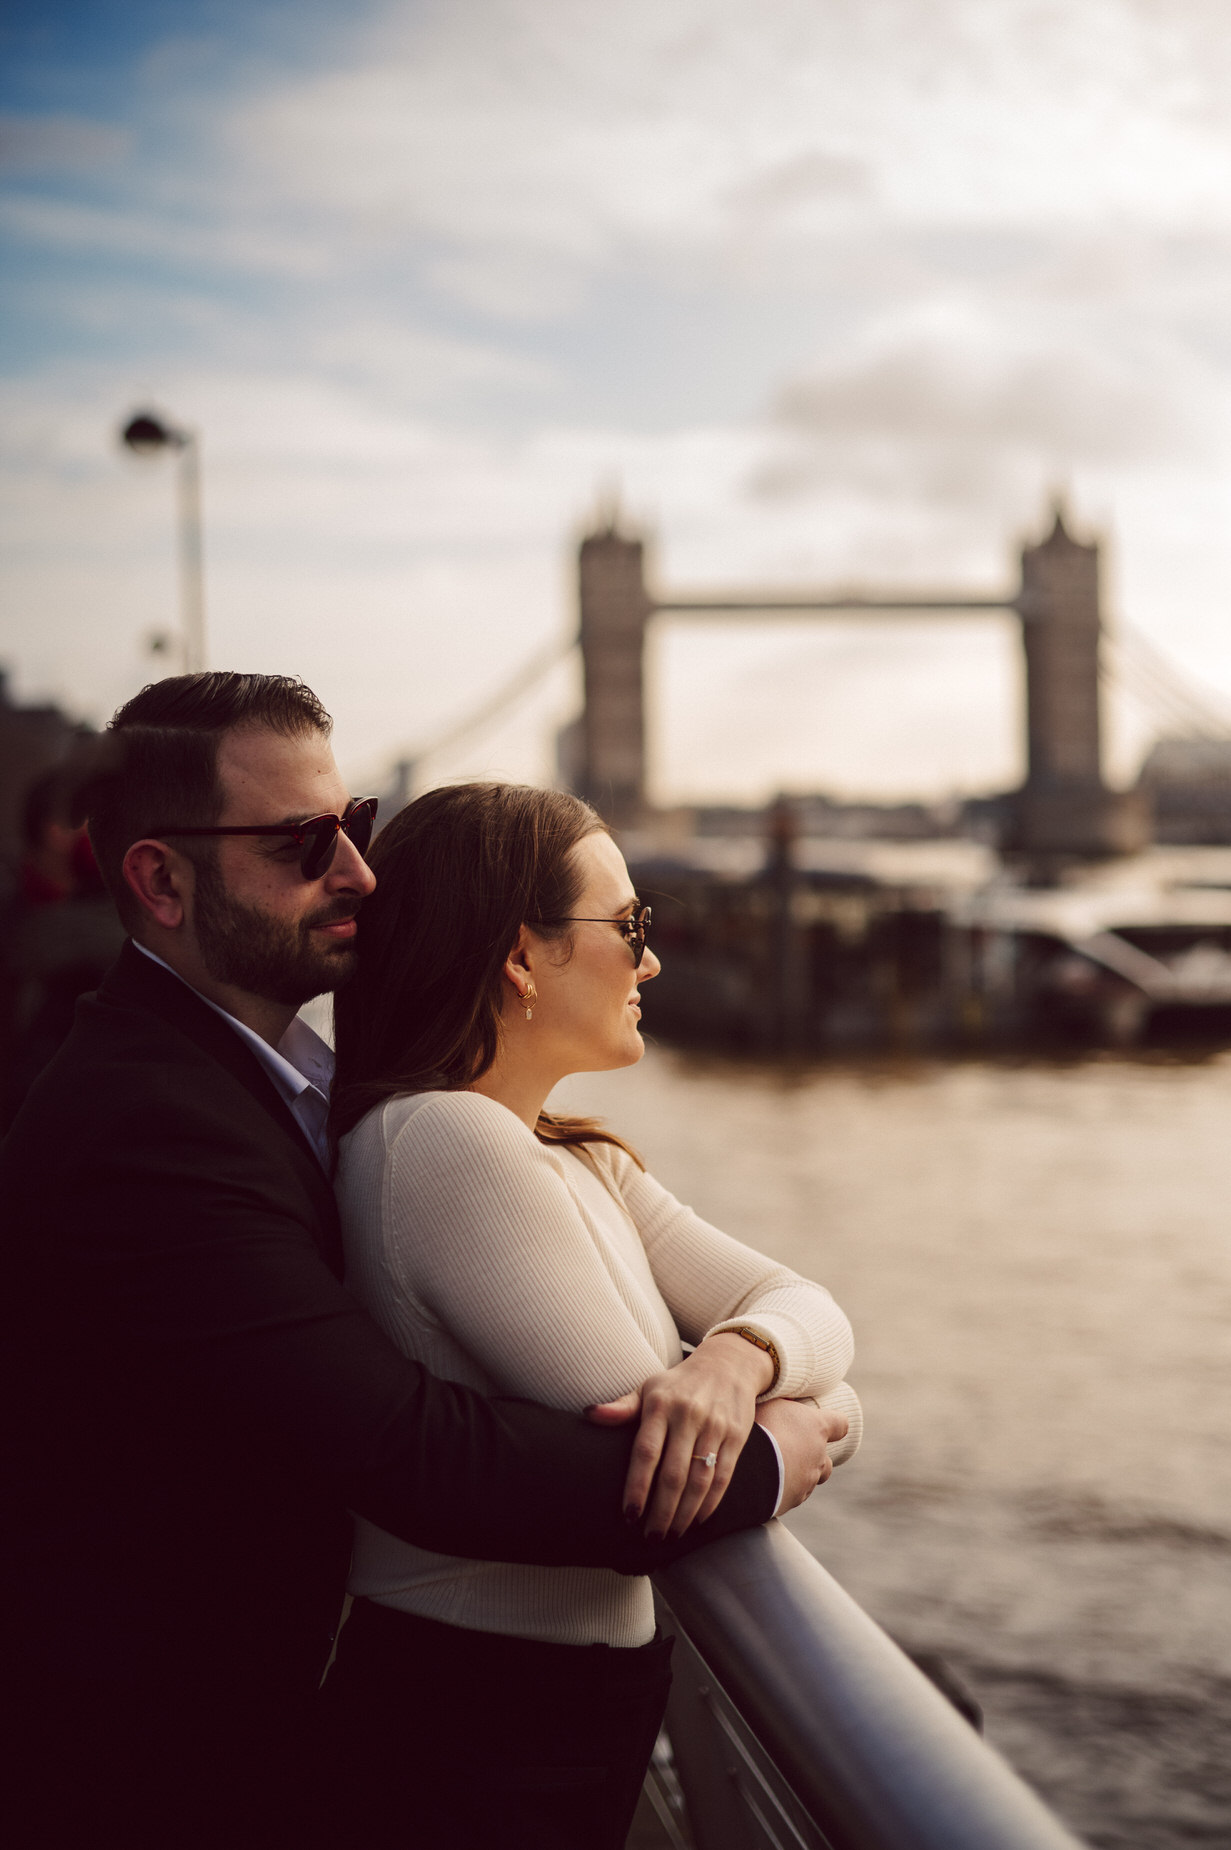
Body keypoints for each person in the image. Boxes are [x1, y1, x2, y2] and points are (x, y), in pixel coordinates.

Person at [0, 673, 845, 1850]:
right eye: (305, 842)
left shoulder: (292, 1085)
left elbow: (791, 1317)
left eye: (359, 825)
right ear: (160, 879)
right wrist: (767, 1448)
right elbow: (412, 1451)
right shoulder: (151, 1120)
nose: (357, 873)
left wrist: (746, 1355)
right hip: (166, 1763)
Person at [326, 781, 863, 1850]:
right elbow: (663, 1471)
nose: (650, 959)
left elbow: (813, 1312)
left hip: (539, 1703)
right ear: (521, 956)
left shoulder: (581, 1158)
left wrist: (734, 1357)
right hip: (472, 1718)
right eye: (627, 926)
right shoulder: (442, 1141)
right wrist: (796, 1414)